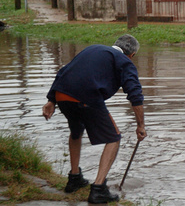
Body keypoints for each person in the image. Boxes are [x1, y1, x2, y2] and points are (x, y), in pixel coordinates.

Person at [42, 34, 147, 204]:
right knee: (114, 137)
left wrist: (51, 100)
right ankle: (99, 189)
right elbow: (135, 94)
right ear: (132, 55)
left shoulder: (92, 49)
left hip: (62, 95)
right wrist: (140, 125)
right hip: (86, 96)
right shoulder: (125, 61)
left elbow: (64, 71)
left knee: (76, 131)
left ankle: (74, 178)